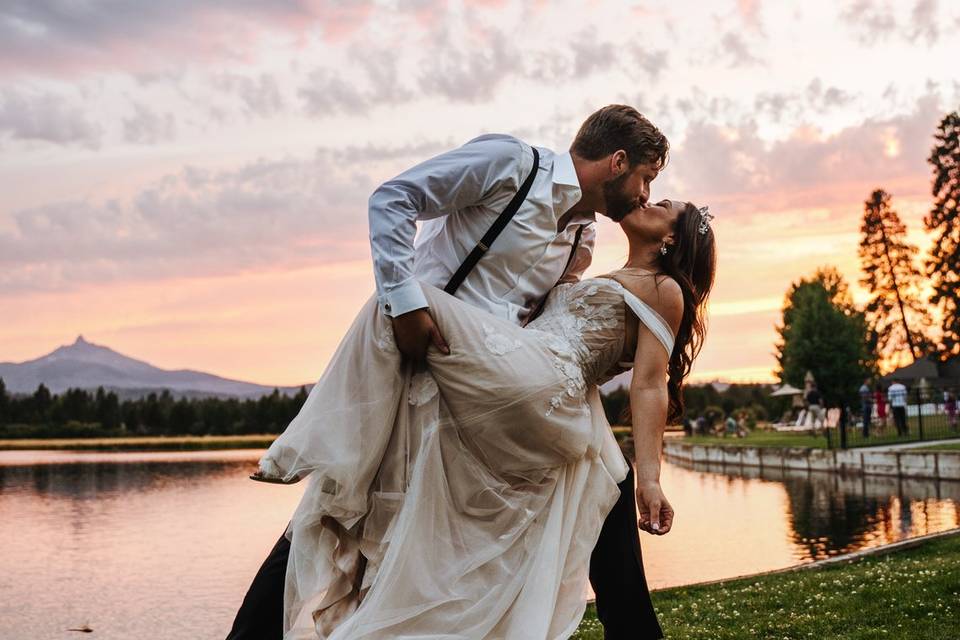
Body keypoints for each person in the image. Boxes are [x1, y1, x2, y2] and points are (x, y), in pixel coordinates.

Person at [226, 105, 674, 640]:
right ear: (618, 162)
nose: (646, 193)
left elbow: (542, 326)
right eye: (647, 177)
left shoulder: (582, 240)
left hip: (478, 406)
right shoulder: (511, 164)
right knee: (338, 508)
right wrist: (404, 301)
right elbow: (394, 198)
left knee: (445, 536)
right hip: (417, 371)